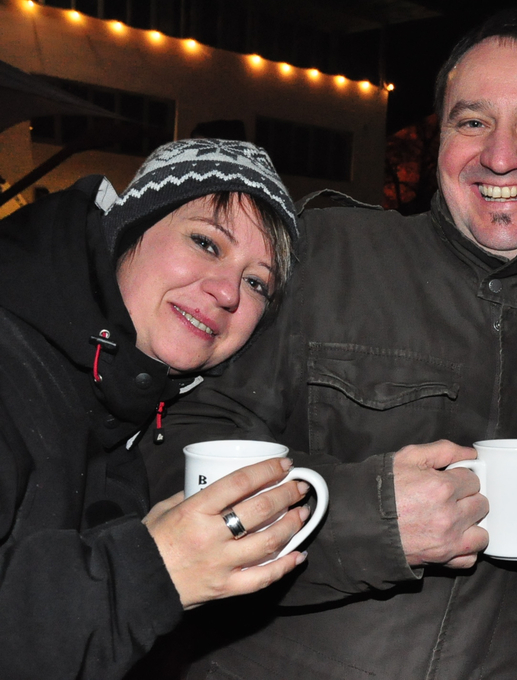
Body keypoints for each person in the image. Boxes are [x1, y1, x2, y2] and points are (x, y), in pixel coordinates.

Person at [140, 9, 517, 679]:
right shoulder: (325, 256)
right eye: (471, 122)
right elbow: (173, 461)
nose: (500, 155)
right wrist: (364, 518)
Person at [0, 138, 308, 680]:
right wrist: (150, 571)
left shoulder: (133, 407)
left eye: (257, 282)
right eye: (206, 243)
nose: (228, 293)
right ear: (127, 232)